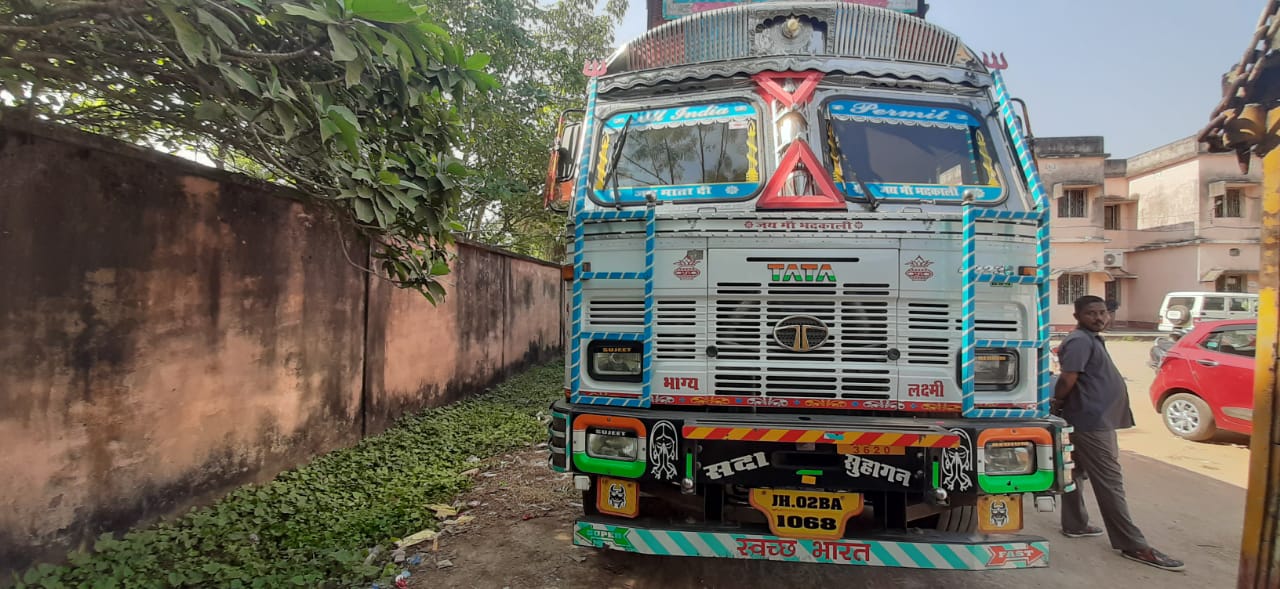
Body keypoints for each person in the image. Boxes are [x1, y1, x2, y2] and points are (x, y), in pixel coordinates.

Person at [1052, 295, 1185, 572]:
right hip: (1091, 422)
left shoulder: (1091, 338)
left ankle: (1075, 525)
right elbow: (1067, 378)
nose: (1100, 318)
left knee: (1074, 472)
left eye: (1103, 313)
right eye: (1092, 314)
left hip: (1092, 419)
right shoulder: (1079, 340)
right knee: (1110, 482)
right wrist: (1058, 403)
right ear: (1078, 317)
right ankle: (1132, 544)